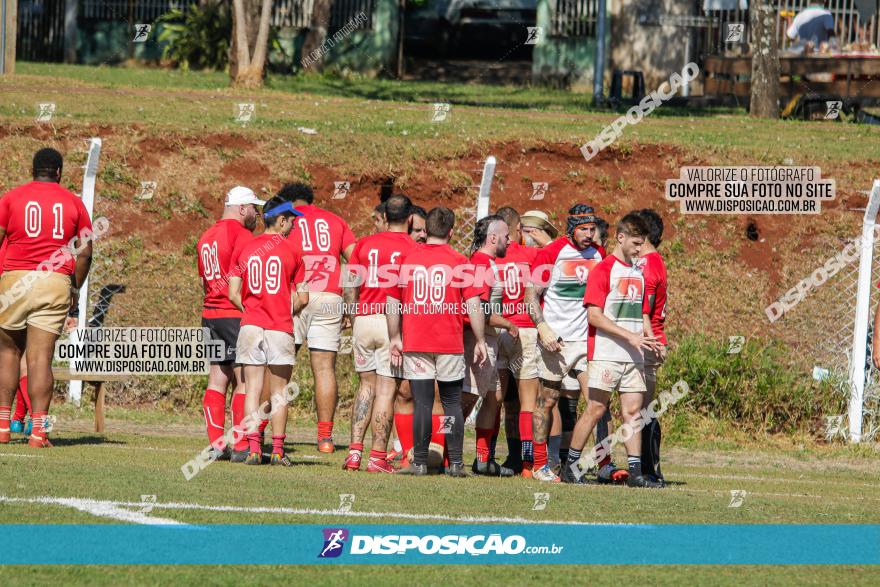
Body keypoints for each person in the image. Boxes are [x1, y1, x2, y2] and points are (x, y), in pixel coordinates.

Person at [0, 148, 93, 448]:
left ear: (33, 169)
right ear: (59, 173)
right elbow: (85, 252)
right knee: (40, 359)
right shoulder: (74, 202)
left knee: (8, 354)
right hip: (54, 281)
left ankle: (2, 428)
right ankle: (39, 432)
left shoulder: (11, 198)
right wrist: (74, 288)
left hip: (14, 278)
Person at [562, 212, 662, 488]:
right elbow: (594, 316)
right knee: (595, 408)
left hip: (634, 355)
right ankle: (570, 467)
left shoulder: (639, 272)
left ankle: (635, 473)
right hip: (606, 353)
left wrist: (651, 341)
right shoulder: (604, 270)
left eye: (643, 244)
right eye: (637, 243)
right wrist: (629, 337)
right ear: (621, 238)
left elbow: (643, 315)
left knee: (633, 412)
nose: (641, 250)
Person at [387, 207, 487, 477]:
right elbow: (474, 304)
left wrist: (395, 337)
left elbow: (393, 301)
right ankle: (455, 463)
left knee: (421, 401)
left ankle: (418, 462)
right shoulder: (459, 261)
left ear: (426, 230)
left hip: (417, 340)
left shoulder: (408, 259)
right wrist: (480, 340)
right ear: (451, 232)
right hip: (449, 341)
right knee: (452, 402)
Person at [524, 205, 604, 482]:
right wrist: (542, 327)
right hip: (555, 341)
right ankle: (540, 465)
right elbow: (530, 296)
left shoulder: (598, 253)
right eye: (583, 229)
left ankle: (598, 462)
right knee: (547, 400)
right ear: (571, 228)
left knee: (597, 402)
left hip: (585, 341)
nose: (589, 234)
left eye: (592, 229)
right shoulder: (551, 253)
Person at [228, 196, 308, 466]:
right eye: (291, 219)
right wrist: (287, 306)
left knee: (252, 389)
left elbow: (233, 293)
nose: (294, 224)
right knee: (279, 392)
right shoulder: (294, 251)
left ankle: (252, 449)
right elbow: (304, 298)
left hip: (250, 325)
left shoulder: (246, 248)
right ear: (281, 220)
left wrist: (251, 307)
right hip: (279, 326)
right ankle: (276, 450)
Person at [279, 182, 356, 453]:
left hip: (297, 294)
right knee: (324, 368)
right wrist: (351, 303)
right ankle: (324, 439)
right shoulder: (334, 220)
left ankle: (270, 433)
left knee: (280, 369)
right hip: (330, 296)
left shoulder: (286, 220)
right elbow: (355, 260)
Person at [343, 194, 417, 473]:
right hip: (392, 322)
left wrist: (352, 315)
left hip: (363, 318)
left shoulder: (364, 243)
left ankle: (353, 453)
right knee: (387, 390)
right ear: (410, 219)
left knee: (365, 386)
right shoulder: (412, 247)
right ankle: (377, 457)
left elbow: (350, 283)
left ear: (384, 217)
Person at [196, 186, 264, 462]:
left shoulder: (206, 236)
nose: (257, 214)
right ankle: (239, 444)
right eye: (254, 208)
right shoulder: (242, 235)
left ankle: (216, 443)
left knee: (216, 377)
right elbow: (249, 275)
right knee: (244, 378)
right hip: (234, 312)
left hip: (210, 312)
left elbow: (203, 282)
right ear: (242, 208)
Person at [464, 214, 517, 476]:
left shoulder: (489, 263)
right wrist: (508, 324)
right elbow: (480, 309)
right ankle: (445, 454)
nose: (511, 239)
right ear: (493, 238)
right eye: (507, 235)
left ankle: (483, 460)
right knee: (467, 398)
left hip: (489, 340)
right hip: (478, 340)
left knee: (493, 397)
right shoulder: (481, 264)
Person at [494, 206, 541, 477]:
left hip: (498, 330)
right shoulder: (531, 254)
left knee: (496, 399)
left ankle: (486, 456)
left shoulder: (491, 256)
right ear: (518, 229)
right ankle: (525, 463)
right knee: (527, 402)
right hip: (524, 331)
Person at [636, 208, 668, 484]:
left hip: (646, 343)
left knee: (642, 409)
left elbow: (642, 311)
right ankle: (646, 468)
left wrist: (652, 341)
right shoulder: (654, 262)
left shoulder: (647, 265)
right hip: (647, 341)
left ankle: (648, 469)